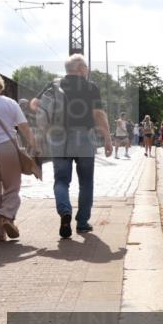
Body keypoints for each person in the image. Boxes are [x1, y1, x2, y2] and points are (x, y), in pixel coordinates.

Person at [31, 54, 113, 238]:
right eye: (86, 67)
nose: (88, 70)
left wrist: (50, 116)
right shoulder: (90, 87)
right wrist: (107, 138)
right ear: (81, 69)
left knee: (61, 180)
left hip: (58, 137)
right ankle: (82, 223)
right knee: (86, 182)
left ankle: (65, 211)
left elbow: (34, 104)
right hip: (84, 137)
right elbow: (98, 114)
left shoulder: (54, 85)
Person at [0, 71, 37, 241]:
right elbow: (24, 127)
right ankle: (7, 216)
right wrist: (34, 145)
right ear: (0, 85)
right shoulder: (10, 103)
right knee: (12, 187)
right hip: (7, 148)